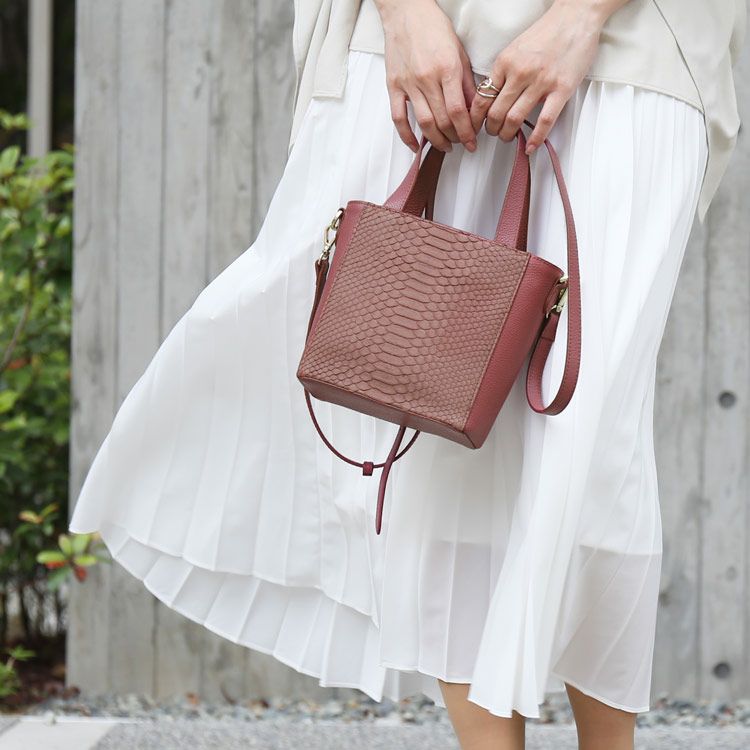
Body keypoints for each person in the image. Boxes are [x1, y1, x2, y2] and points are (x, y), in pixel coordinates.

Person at [69, 1, 745, 749]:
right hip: (428, 42)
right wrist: (404, 13)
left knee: (593, 443)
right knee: (437, 423)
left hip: (636, 42)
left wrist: (581, 16)